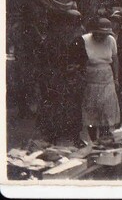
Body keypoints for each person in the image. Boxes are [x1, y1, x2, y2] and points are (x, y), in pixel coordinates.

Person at [38, 9, 87, 146]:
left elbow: (83, 59)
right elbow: (44, 62)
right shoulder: (52, 40)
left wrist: (75, 68)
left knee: (74, 106)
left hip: (72, 78)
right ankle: (54, 135)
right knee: (56, 107)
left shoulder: (78, 39)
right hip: (56, 78)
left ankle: (75, 136)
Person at [81, 17, 121, 142]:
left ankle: (104, 137)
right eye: (100, 34)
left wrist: (116, 78)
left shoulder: (111, 40)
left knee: (106, 109)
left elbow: (115, 60)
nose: (103, 37)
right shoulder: (85, 40)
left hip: (107, 79)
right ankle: (93, 140)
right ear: (94, 32)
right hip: (91, 79)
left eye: (105, 35)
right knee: (92, 110)